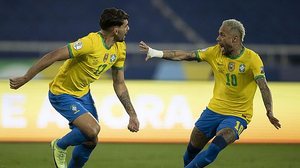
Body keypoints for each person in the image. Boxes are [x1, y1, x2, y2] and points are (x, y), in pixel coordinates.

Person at [139, 19, 281, 167]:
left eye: (222, 35)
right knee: (190, 153)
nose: (217, 38)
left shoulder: (253, 59)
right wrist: (155, 52)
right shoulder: (214, 52)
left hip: (238, 115)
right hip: (212, 111)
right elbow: (186, 55)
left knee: (214, 148)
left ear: (235, 39)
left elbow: (263, 86)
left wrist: (269, 111)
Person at [10, 7, 139, 168]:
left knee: (91, 141)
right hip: (62, 92)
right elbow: (54, 55)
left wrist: (132, 114)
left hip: (83, 94)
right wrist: (26, 77)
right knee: (92, 130)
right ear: (115, 29)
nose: (128, 29)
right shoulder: (90, 43)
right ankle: (60, 145)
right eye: (125, 25)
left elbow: (119, 83)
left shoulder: (120, 48)